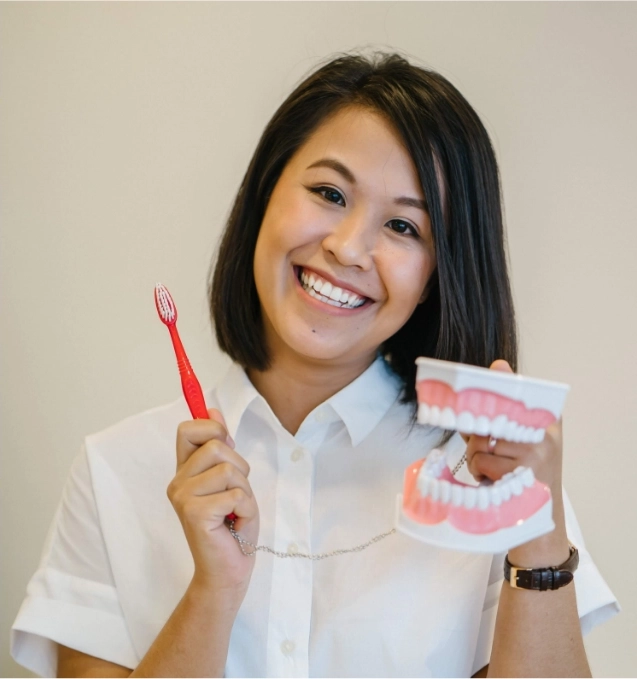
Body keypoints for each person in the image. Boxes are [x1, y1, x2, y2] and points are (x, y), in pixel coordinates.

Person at [11, 51, 619, 678]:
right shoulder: (115, 471)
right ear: (263, 196)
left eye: (405, 227)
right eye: (329, 193)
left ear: (438, 275)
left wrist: (539, 538)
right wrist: (214, 592)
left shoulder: (492, 480)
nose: (348, 248)